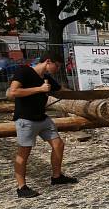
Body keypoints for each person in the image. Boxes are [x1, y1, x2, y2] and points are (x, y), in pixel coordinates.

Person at [7, 57, 78, 198]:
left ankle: (56, 177)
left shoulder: (46, 78)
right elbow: (13, 92)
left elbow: (61, 90)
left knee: (58, 144)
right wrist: (40, 89)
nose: (57, 70)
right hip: (26, 119)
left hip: (42, 118)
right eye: (56, 66)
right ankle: (21, 187)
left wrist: (81, 95)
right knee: (24, 153)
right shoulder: (24, 71)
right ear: (48, 61)